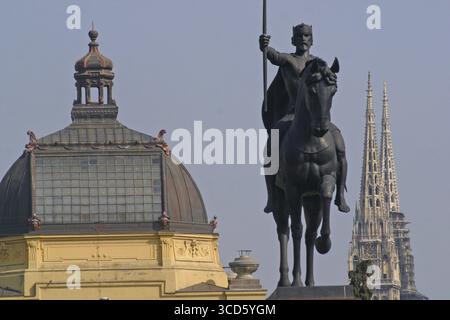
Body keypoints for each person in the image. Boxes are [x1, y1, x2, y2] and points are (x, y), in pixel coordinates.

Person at [260, 23, 350, 214]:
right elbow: (274, 56)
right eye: (299, 36)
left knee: (339, 144)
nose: (303, 39)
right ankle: (271, 196)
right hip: (291, 116)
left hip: (317, 118)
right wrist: (265, 47)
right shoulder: (289, 61)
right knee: (272, 144)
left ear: (312, 39)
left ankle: (340, 195)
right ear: (293, 40)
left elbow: (328, 81)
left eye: (307, 36)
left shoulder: (318, 64)